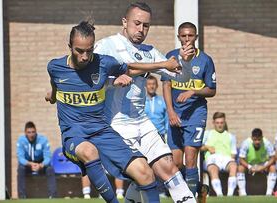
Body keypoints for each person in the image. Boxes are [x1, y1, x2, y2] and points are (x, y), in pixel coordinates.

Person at [45, 20, 181, 203]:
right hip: (74, 133)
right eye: (79, 51)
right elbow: (55, 87)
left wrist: (163, 64)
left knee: (145, 173)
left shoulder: (103, 63)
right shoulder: (55, 67)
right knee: (89, 151)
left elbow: (131, 68)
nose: (85, 56)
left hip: (102, 130)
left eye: (89, 50)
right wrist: (52, 96)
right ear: (69, 46)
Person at [94, 2, 196, 203]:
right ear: (125, 22)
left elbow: (179, 79)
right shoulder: (106, 46)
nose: (141, 30)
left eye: (146, 26)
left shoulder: (150, 51)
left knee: (169, 167)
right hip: (117, 126)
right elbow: (93, 82)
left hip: (143, 123)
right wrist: (114, 81)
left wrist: (184, 62)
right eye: (137, 23)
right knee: (143, 175)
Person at [162, 22, 216, 196]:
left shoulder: (205, 60)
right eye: (183, 36)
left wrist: (193, 91)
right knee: (175, 164)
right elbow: (166, 85)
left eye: (190, 35)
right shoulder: (171, 57)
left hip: (195, 114)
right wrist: (170, 111)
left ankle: (189, 199)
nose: (187, 39)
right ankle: (199, 188)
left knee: (191, 159)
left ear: (196, 37)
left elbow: (212, 89)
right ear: (179, 37)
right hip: (175, 114)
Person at [16, 121, 57, 198]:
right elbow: (20, 158)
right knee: (20, 168)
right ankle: (22, 196)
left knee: (50, 169)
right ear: (25, 133)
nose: (31, 134)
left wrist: (41, 165)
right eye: (29, 132)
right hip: (28, 164)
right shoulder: (21, 140)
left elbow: (48, 157)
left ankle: (53, 196)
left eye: (33, 132)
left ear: (36, 132)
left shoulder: (43, 140)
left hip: (40, 163)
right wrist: (30, 164)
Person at [200, 112, 237, 196]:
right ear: (213, 123)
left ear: (224, 122)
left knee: (234, 166)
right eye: (217, 123)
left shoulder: (231, 136)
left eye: (221, 123)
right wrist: (207, 147)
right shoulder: (208, 134)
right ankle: (219, 195)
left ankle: (230, 195)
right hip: (211, 159)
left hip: (226, 159)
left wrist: (231, 161)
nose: (219, 125)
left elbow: (233, 154)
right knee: (213, 169)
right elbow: (198, 148)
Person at [237, 128, 277, 196]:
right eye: (255, 140)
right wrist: (250, 167)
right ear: (252, 138)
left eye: (259, 139)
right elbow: (241, 159)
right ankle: (243, 193)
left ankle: (269, 194)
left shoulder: (267, 143)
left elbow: (273, 158)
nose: (257, 142)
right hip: (249, 164)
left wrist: (263, 167)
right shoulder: (246, 143)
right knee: (240, 168)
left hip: (263, 164)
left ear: (262, 138)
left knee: (273, 167)